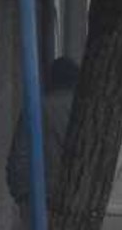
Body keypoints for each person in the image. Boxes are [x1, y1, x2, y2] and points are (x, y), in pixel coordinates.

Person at [6, 56, 78, 220]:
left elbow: (19, 155)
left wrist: (21, 194)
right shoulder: (85, 110)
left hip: (41, 195)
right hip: (76, 196)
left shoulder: (36, 108)